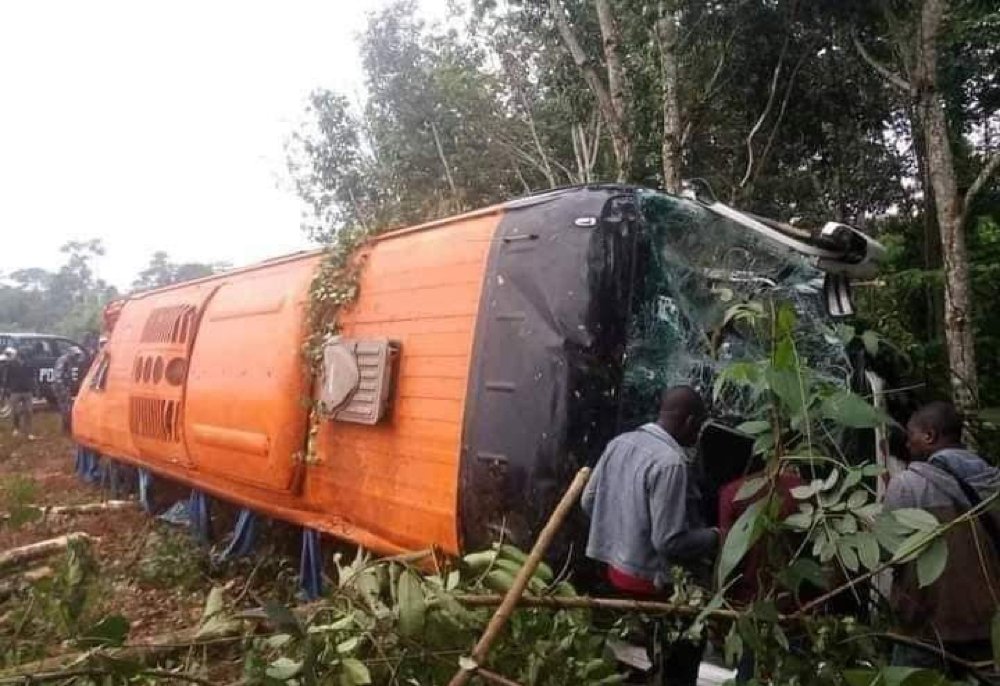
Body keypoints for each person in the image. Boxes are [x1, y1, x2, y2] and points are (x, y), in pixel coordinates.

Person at [581, 386, 718, 686]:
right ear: (690, 421)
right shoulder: (672, 463)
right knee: (685, 650)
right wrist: (715, 537)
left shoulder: (619, 442)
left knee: (647, 650)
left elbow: (588, 501)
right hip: (648, 580)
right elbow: (668, 542)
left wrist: (624, 535)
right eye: (700, 427)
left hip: (615, 570)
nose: (698, 437)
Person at [886, 401, 1000, 673]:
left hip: (926, 631)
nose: (907, 443)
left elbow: (887, 553)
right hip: (988, 628)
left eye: (911, 434)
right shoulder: (994, 484)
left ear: (929, 436)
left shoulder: (907, 485)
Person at [3, 347, 37, 439]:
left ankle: (29, 431)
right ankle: (16, 428)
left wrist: (35, 389)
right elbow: (7, 378)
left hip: (27, 390)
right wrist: (6, 390)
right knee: (16, 412)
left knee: (29, 411)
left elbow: (33, 377)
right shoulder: (11, 365)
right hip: (15, 391)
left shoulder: (29, 364)